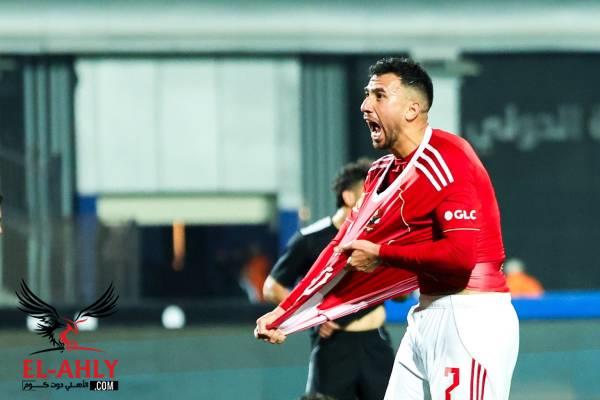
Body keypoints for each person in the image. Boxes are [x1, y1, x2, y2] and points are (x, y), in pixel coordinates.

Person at [255, 57, 519, 400]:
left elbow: (460, 258)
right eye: (367, 94)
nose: (365, 105)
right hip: (426, 314)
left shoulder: (448, 158)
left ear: (412, 109)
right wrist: (286, 311)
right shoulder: (381, 172)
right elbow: (340, 249)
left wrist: (382, 254)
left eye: (379, 95)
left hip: (470, 317)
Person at [263, 159, 395, 400]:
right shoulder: (311, 238)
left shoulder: (378, 236)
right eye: (369, 194)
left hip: (375, 342)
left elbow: (401, 295)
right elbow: (272, 287)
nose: (377, 201)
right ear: (348, 197)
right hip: (333, 346)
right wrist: (313, 315)